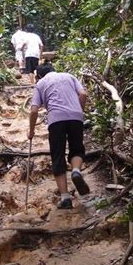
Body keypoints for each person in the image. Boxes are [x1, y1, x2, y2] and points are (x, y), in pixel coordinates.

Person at [28, 63, 89, 209]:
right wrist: (79, 112)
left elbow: (34, 110)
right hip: (76, 117)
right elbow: (83, 94)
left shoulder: (41, 83)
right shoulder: (69, 76)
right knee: (77, 149)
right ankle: (75, 171)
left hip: (56, 120)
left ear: (39, 76)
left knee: (58, 156)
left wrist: (31, 131)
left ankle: (65, 198)